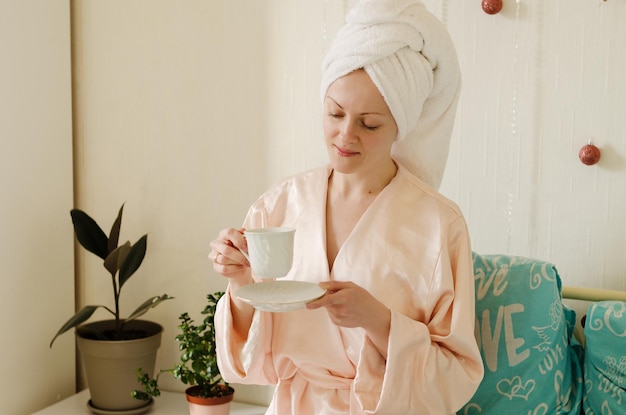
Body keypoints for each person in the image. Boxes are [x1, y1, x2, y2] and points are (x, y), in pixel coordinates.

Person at [208, 0, 484, 413]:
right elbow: (247, 365)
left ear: (400, 126)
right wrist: (241, 281)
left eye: (369, 123)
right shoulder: (278, 205)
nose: (345, 135)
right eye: (334, 113)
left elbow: (457, 375)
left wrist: (379, 320)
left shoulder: (440, 224)